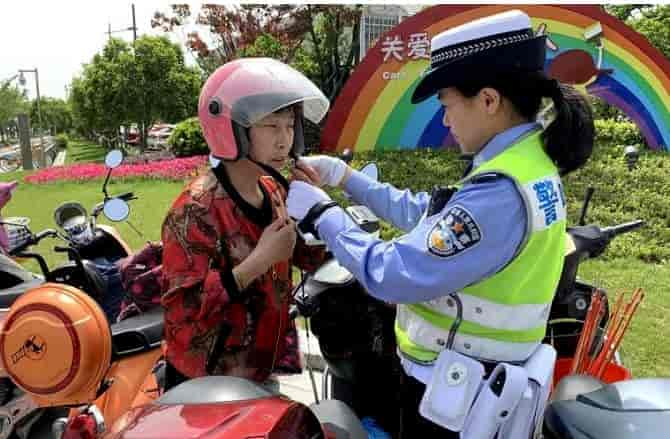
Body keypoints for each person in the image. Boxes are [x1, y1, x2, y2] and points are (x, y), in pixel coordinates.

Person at [288, 10, 594, 437]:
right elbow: (428, 214)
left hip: (456, 396)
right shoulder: (524, 166)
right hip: (480, 382)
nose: (446, 121)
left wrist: (323, 215)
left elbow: (391, 274)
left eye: (448, 105)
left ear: (488, 100)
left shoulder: (500, 192)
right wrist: (346, 179)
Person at [160, 58, 329, 390]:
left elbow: (309, 259)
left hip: (260, 369)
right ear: (232, 129)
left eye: (290, 126)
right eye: (271, 126)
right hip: (206, 384)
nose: (284, 140)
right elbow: (185, 313)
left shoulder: (274, 190)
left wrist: (316, 207)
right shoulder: (194, 210)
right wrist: (259, 261)